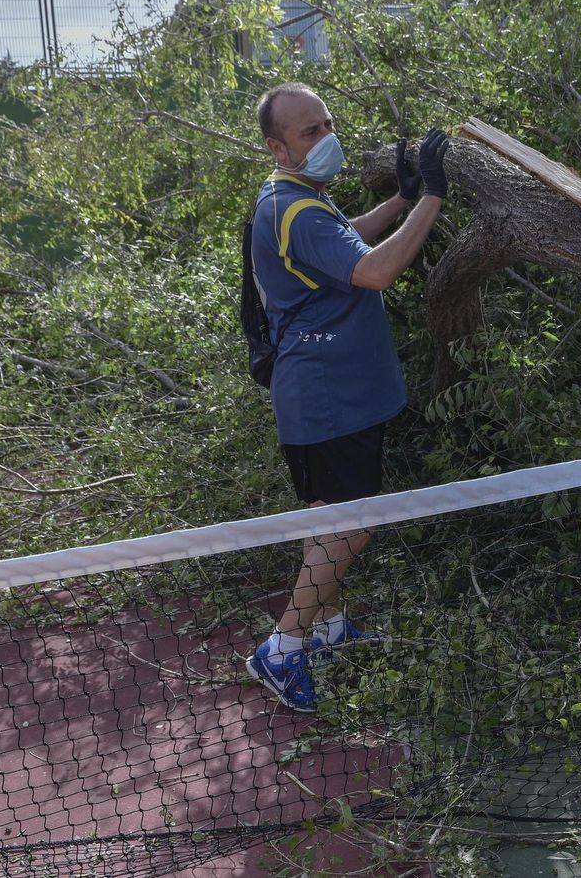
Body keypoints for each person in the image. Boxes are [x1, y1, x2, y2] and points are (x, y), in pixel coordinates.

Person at [243, 82, 449, 713]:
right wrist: (433, 199)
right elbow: (375, 270)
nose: (325, 138)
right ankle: (282, 647)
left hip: (331, 395)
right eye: (310, 132)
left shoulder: (296, 198)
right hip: (327, 397)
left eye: (327, 124)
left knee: (330, 516)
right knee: (350, 526)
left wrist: (400, 199)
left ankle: (327, 628)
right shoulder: (297, 208)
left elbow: (344, 244)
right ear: (278, 147)